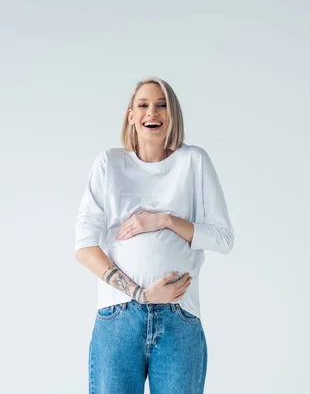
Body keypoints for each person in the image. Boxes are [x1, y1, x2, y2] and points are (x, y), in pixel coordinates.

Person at [74, 76, 235, 393]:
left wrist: (164, 220)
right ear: (131, 115)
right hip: (118, 315)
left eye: (162, 105)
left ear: (173, 114)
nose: (153, 112)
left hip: (179, 317)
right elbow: (84, 247)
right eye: (143, 105)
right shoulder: (110, 163)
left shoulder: (193, 161)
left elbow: (223, 238)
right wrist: (141, 294)